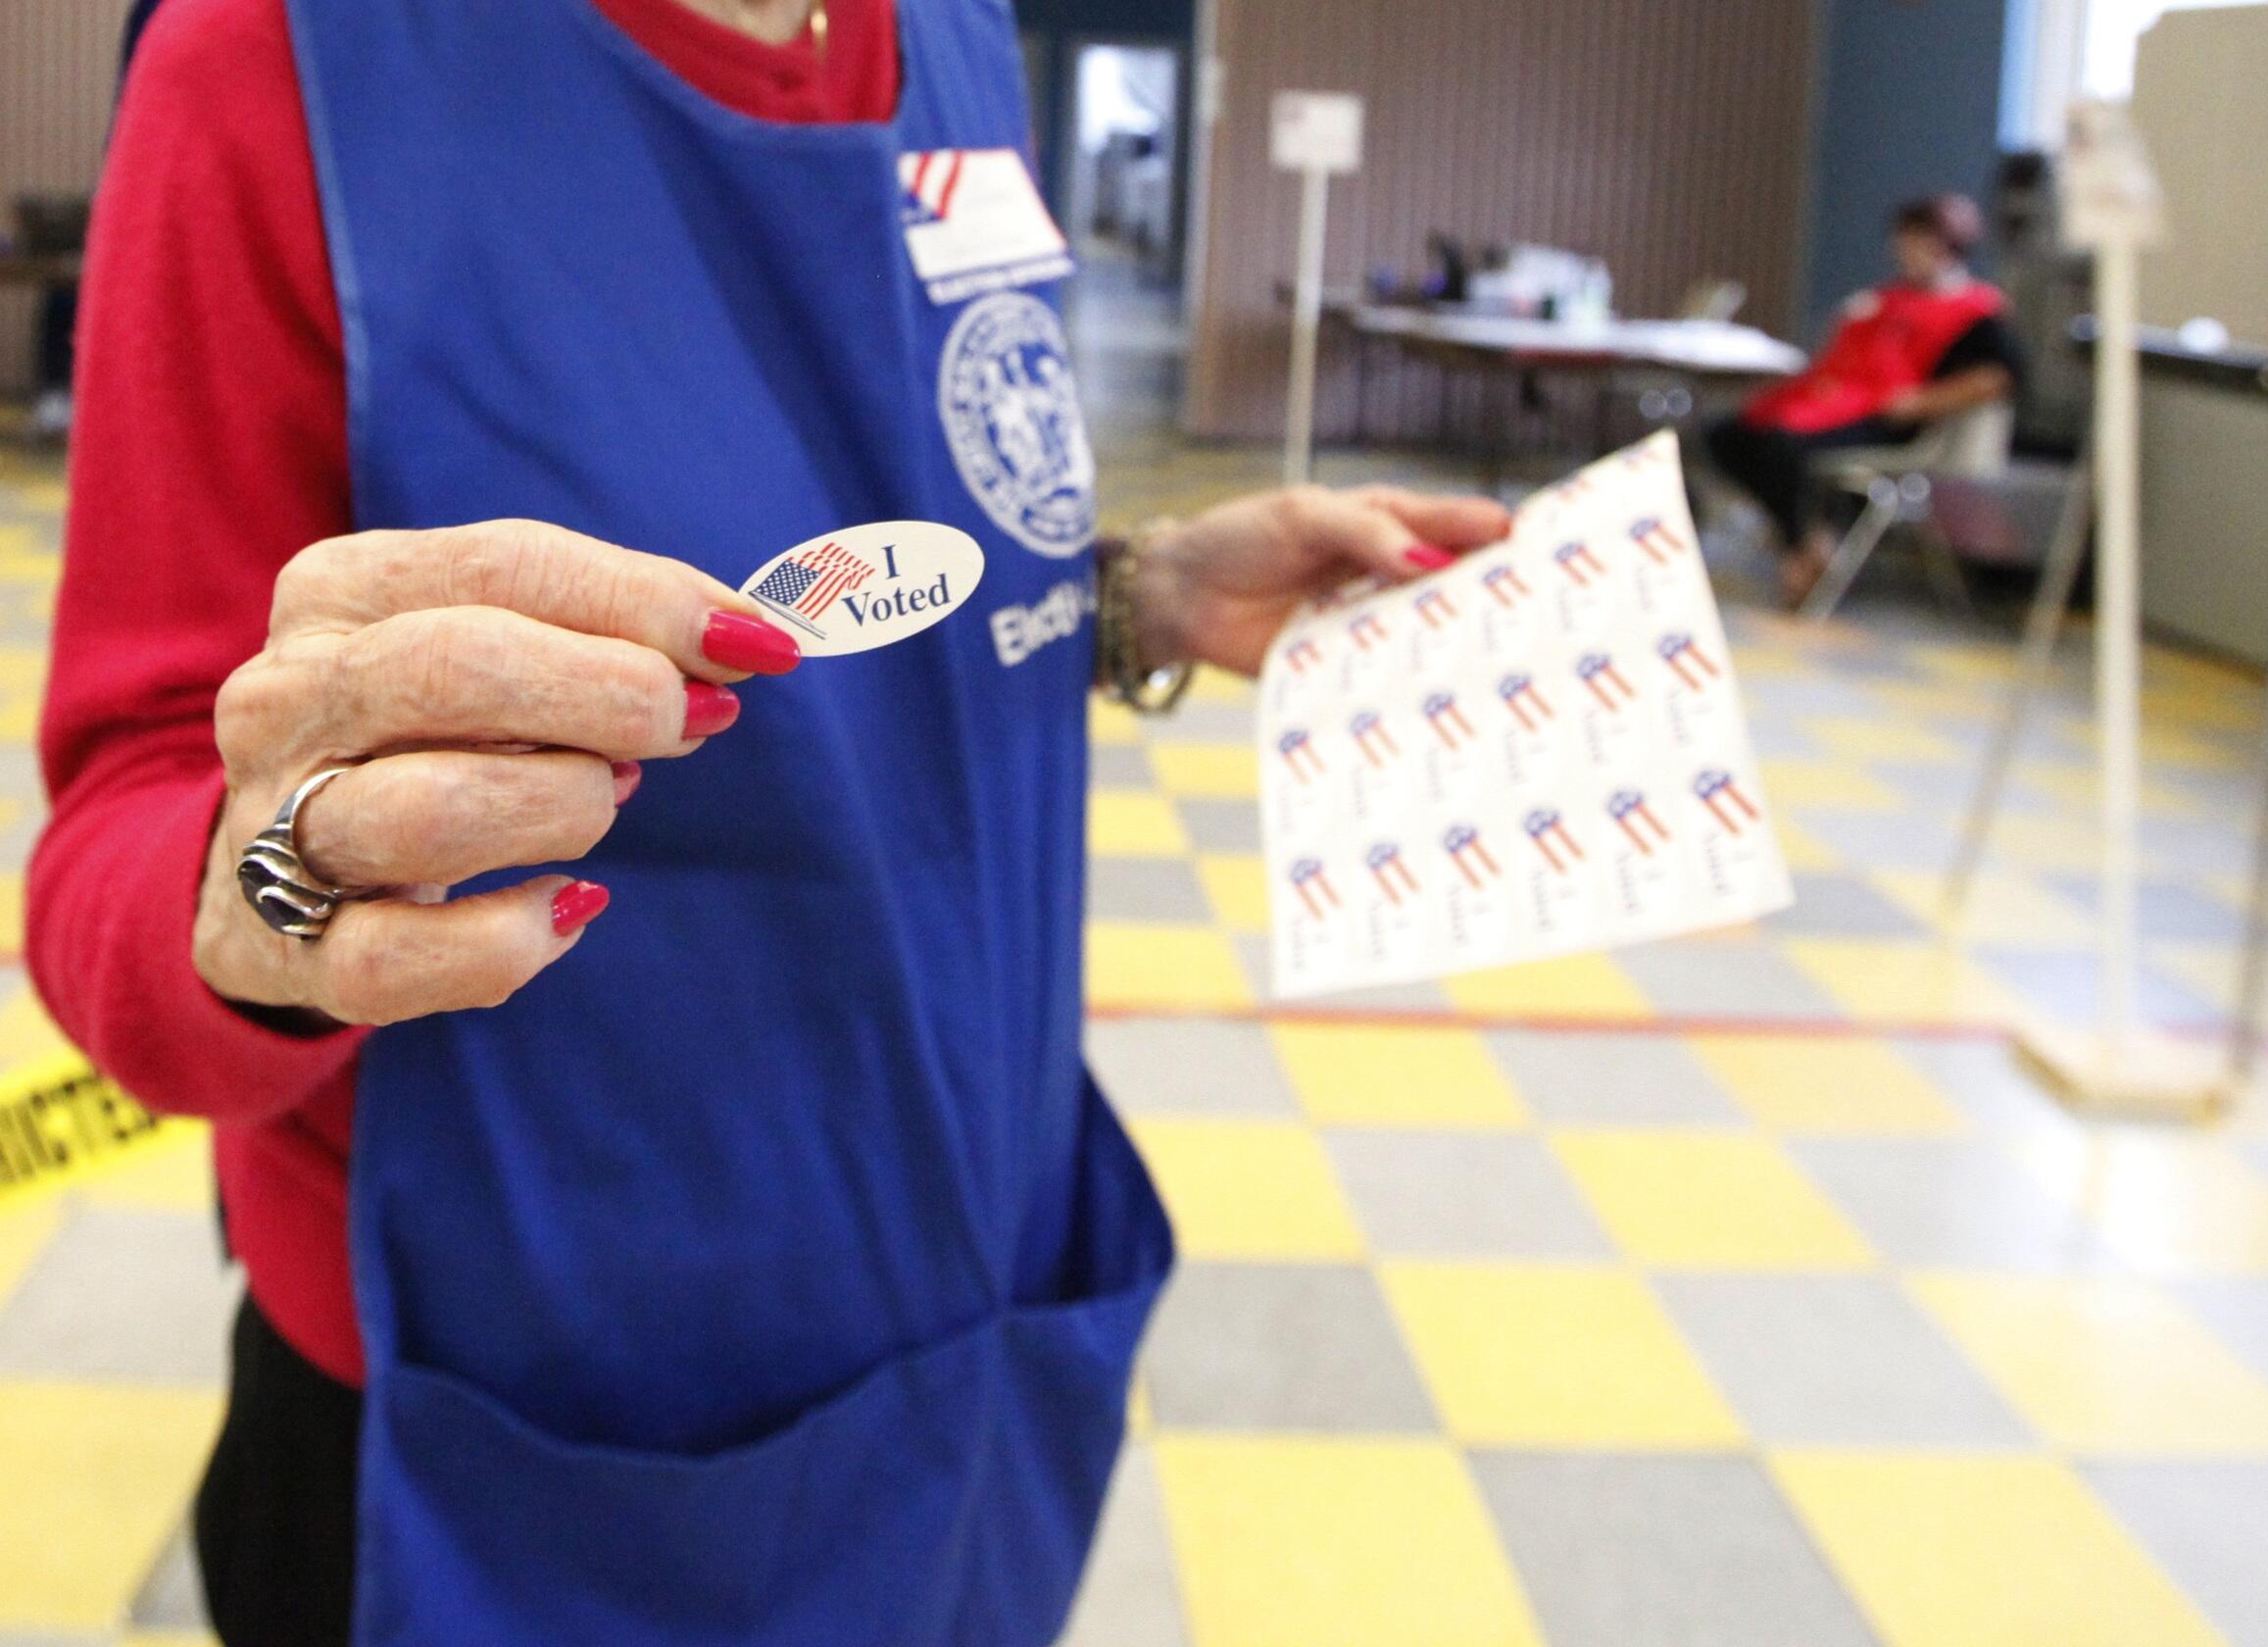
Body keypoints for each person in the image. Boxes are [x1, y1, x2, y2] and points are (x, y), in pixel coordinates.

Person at [28, 0, 1507, 1641]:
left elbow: (857, 551)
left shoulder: (952, 35)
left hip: (969, 1310)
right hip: (513, 1429)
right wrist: (280, 884)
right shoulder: (285, 62)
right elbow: (125, 829)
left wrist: (1120, 598)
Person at [1705, 193, 2022, 608]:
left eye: (1917, 241)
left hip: (1891, 422)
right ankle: (1807, 539)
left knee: (1780, 446)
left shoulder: (1976, 310)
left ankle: (1806, 549)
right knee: (1728, 433)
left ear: (1945, 246)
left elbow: (1997, 378)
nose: (1905, 251)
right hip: (1835, 404)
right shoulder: (1885, 298)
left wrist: (1921, 402)